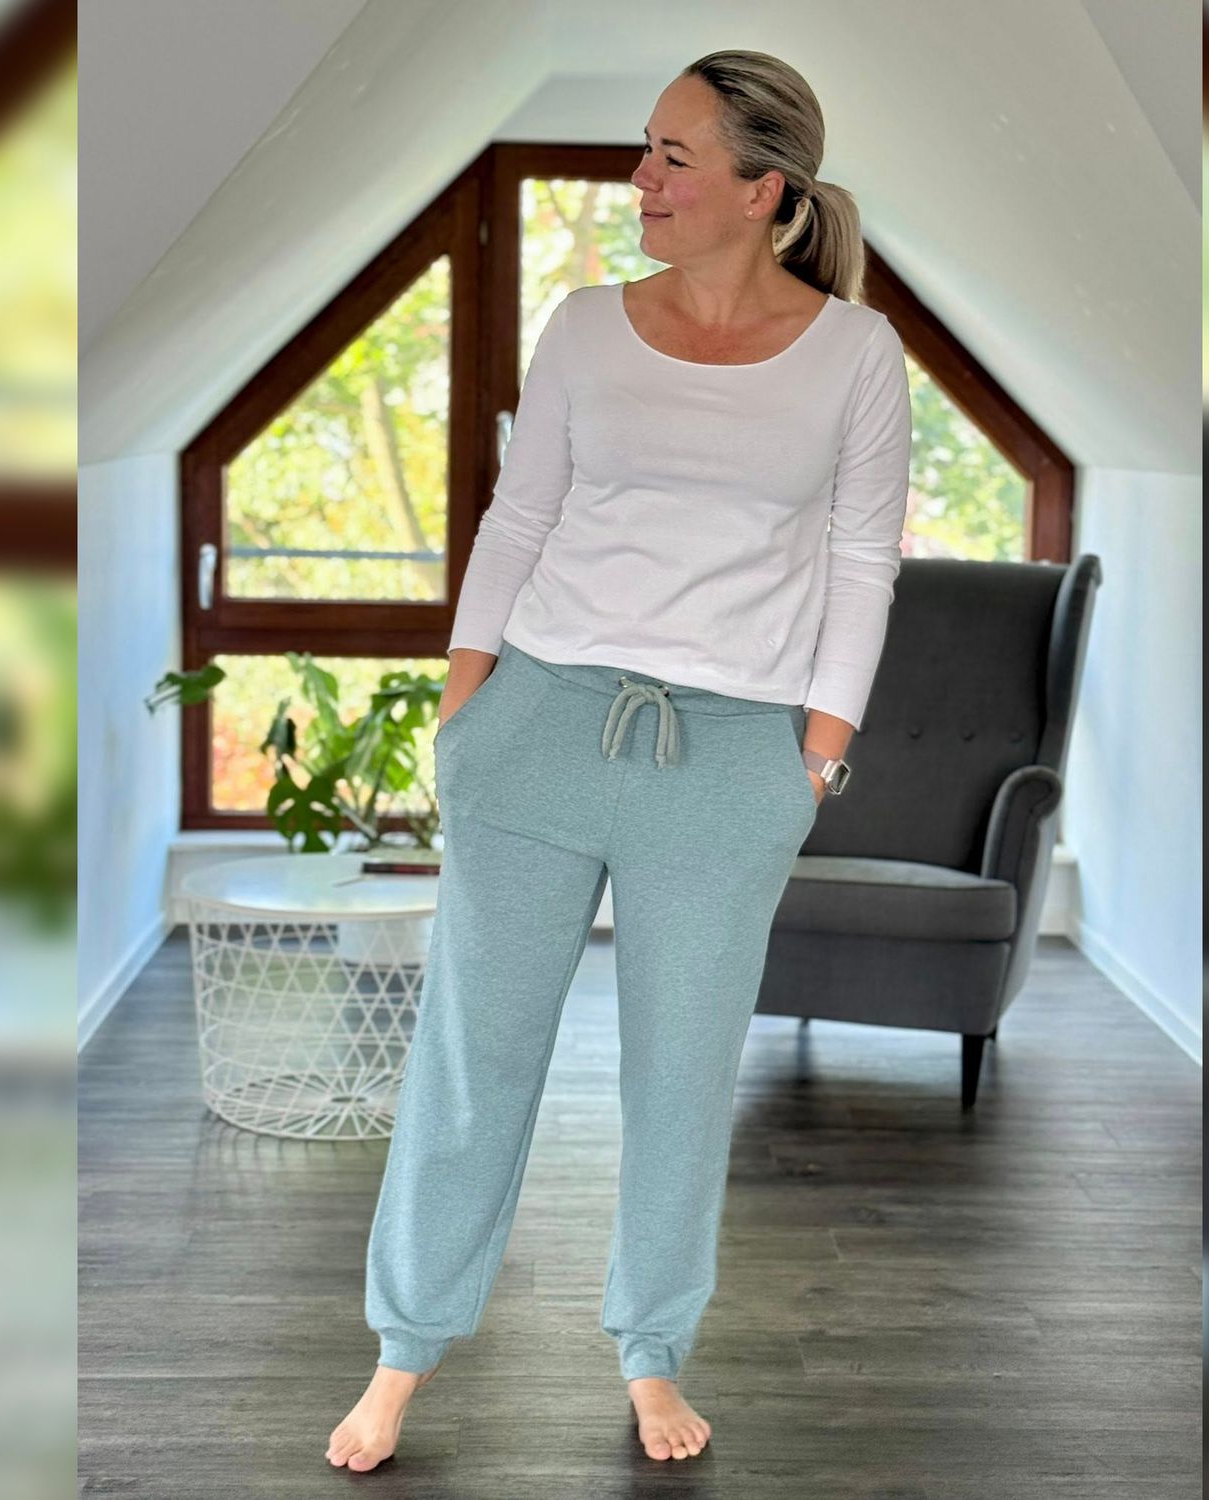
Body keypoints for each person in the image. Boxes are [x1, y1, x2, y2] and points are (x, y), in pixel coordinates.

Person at [327, 48, 911, 1472]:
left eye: (673, 157)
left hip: (730, 760)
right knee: (474, 1060)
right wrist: (464, 712)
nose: (639, 179)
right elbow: (518, 519)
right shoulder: (587, 327)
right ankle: (402, 1353)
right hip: (537, 726)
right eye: (645, 148)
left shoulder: (856, 355)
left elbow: (861, 563)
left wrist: (812, 762)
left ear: (762, 190)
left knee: (682, 1077)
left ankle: (652, 1352)